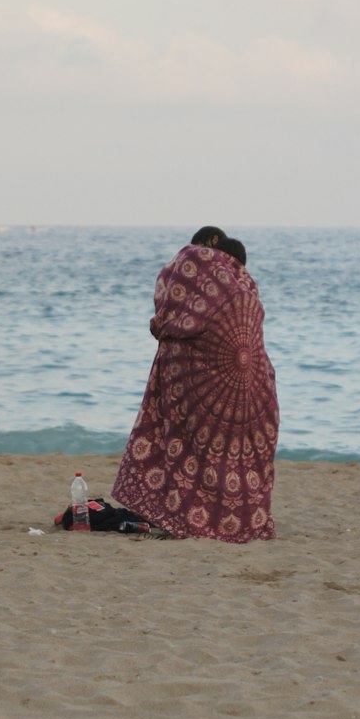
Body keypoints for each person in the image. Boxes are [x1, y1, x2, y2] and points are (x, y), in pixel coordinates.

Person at [113, 230, 279, 541]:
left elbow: (170, 314)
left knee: (192, 453)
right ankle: (238, 523)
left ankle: (194, 520)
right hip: (254, 391)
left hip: (208, 389)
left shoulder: (199, 273)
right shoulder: (248, 294)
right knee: (235, 462)